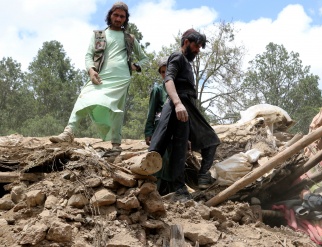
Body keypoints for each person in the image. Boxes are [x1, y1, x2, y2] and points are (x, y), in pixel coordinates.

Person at [49, 2, 148, 155]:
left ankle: (116, 145)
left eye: (122, 16)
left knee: (117, 110)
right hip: (100, 75)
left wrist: (135, 66)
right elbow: (88, 55)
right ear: (110, 15)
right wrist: (91, 71)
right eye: (116, 15)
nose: (118, 18)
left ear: (125, 19)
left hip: (121, 78)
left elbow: (145, 59)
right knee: (84, 96)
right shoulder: (98, 35)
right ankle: (68, 132)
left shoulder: (129, 38)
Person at [147, 28, 220, 201]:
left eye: (200, 47)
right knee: (161, 146)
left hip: (186, 107)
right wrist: (178, 103)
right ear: (186, 42)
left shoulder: (187, 63)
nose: (198, 50)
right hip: (177, 104)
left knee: (192, 145)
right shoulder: (177, 57)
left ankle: (191, 182)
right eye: (196, 46)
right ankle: (172, 187)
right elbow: (169, 79)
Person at [144, 57, 173, 195]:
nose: (164, 73)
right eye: (162, 72)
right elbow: (151, 112)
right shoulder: (158, 90)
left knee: (172, 161)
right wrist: (149, 132)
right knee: (161, 158)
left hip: (174, 130)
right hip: (159, 129)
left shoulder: (177, 90)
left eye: (166, 70)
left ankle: (170, 192)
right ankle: (157, 192)